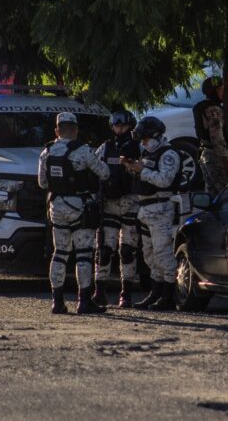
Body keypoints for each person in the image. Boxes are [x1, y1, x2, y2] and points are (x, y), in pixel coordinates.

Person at [38, 112, 110, 315]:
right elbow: (104, 172)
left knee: (60, 253)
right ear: (76, 130)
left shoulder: (47, 152)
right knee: (84, 255)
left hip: (56, 206)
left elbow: (42, 183)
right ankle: (84, 301)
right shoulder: (83, 151)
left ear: (57, 131)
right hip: (80, 207)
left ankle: (57, 301)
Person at [123, 116, 182, 311]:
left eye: (145, 139)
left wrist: (142, 171)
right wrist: (133, 168)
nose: (143, 143)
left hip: (160, 208)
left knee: (163, 253)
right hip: (145, 209)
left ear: (156, 136)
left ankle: (168, 295)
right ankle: (155, 293)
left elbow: (165, 180)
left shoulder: (168, 154)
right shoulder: (149, 154)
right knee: (149, 255)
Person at [92, 110, 141, 309]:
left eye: (124, 126)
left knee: (127, 250)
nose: (120, 129)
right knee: (104, 250)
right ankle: (99, 291)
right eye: (117, 126)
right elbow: (93, 168)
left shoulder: (139, 147)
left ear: (130, 126)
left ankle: (126, 293)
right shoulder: (106, 147)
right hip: (109, 205)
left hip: (131, 202)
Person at [193, 76, 228, 196]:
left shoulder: (201, 106)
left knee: (211, 192)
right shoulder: (214, 109)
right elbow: (217, 135)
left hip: (205, 153)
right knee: (224, 191)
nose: (224, 92)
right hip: (215, 155)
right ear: (214, 91)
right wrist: (225, 158)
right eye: (221, 89)